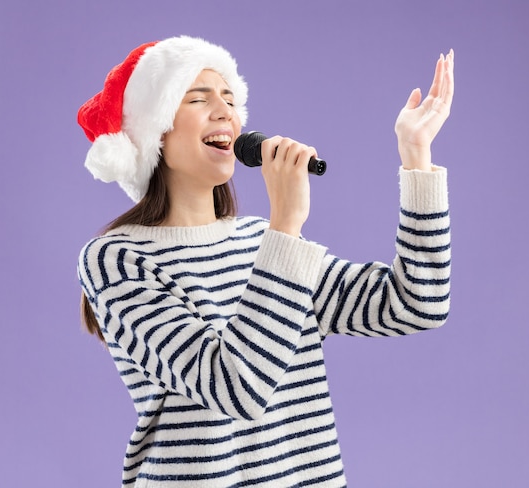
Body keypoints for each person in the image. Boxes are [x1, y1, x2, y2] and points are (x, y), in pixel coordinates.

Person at [77, 36, 454, 487]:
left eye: (231, 100)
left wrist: (417, 158)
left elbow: (417, 302)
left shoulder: (263, 241)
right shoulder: (116, 260)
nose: (225, 112)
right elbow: (234, 388)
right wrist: (287, 224)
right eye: (198, 98)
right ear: (153, 131)